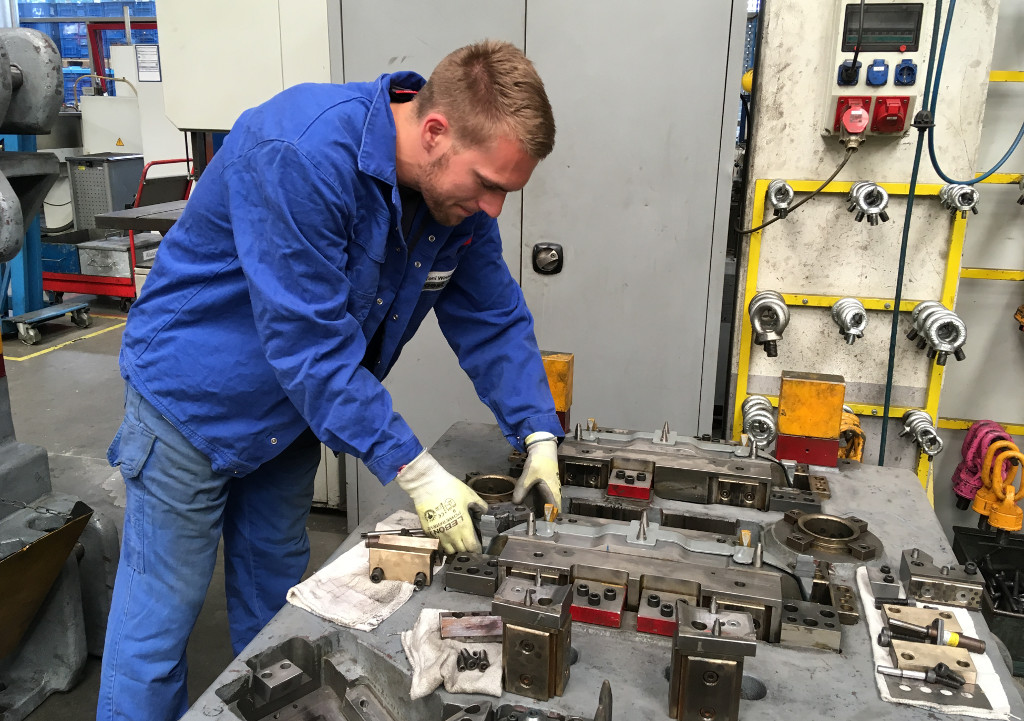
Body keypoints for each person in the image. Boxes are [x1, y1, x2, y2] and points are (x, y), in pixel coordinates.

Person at [97, 40, 564, 720]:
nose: (493, 208)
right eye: (488, 183)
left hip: (287, 420)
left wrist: (538, 431)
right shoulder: (302, 153)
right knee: (158, 624)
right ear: (436, 131)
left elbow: (493, 317)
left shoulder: (452, 208)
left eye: (505, 192)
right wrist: (417, 472)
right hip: (189, 409)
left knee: (279, 616)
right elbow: (311, 348)